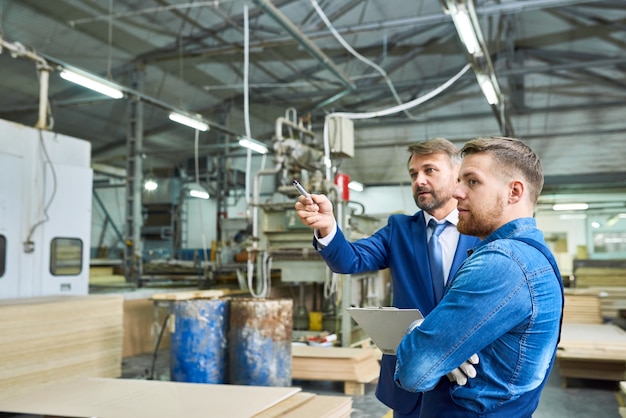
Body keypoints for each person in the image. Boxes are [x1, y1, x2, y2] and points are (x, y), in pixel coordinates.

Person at [294, 138, 481, 417]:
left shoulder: (482, 230)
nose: (419, 180)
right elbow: (350, 259)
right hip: (408, 381)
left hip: (466, 379)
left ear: (457, 176)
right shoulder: (399, 229)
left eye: (429, 170)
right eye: (413, 174)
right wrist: (328, 228)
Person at [394, 136, 564, 418]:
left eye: (472, 181)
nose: (457, 192)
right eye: (459, 180)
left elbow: (415, 371)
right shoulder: (533, 253)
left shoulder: (503, 264)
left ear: (514, 192)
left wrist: (418, 332)